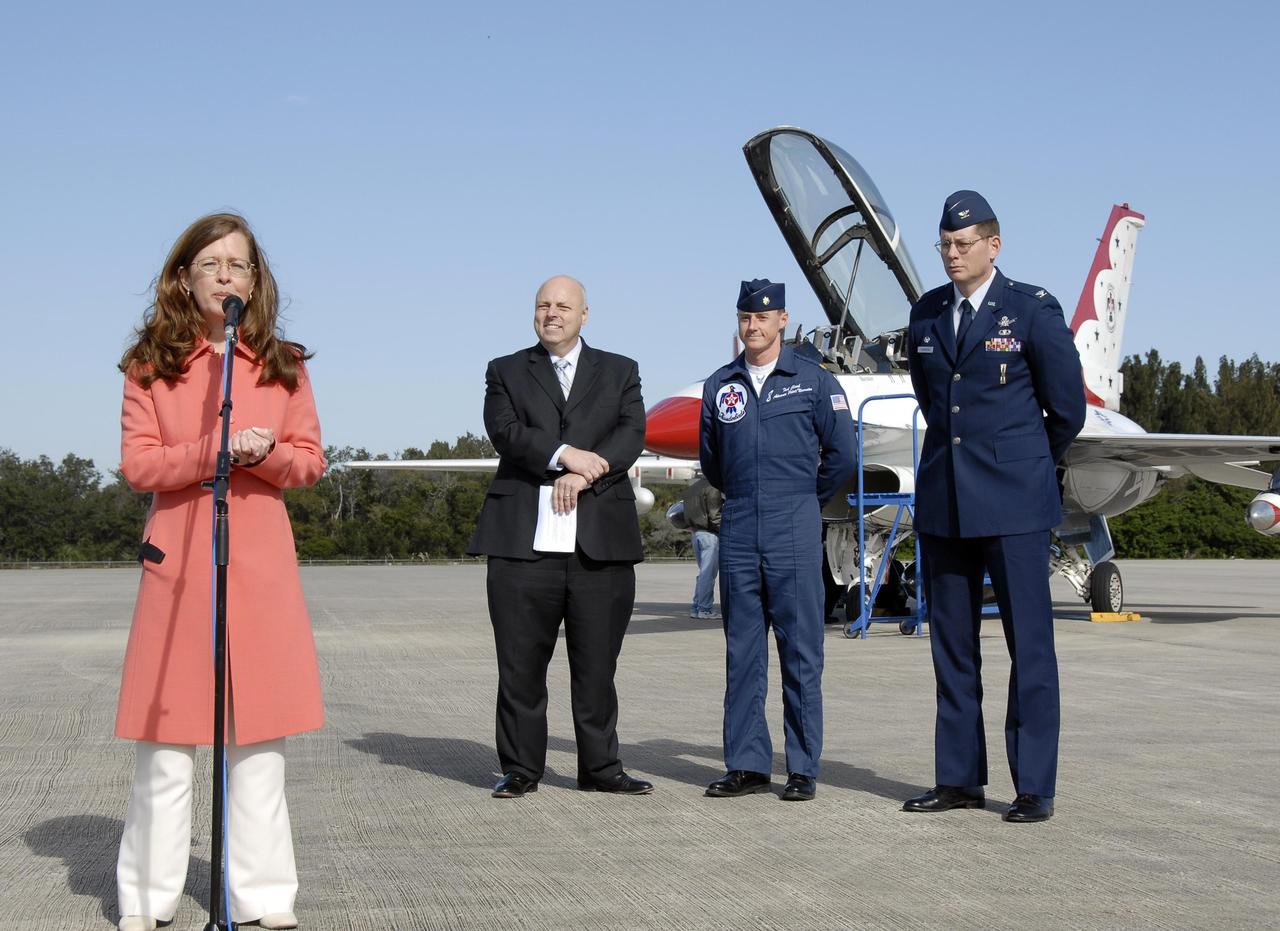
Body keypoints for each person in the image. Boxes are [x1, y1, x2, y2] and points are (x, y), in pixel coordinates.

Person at [114, 213, 325, 931]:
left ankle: (265, 897)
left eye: (238, 265)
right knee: (167, 749)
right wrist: (216, 448)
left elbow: (309, 462)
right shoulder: (150, 364)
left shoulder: (284, 363)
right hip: (176, 568)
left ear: (255, 281)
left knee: (259, 744)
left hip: (259, 565)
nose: (226, 276)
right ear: (184, 277)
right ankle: (147, 898)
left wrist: (261, 454)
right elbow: (140, 463)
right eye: (211, 264)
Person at [902, 191, 1086, 823]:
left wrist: (1021, 461)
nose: (952, 255)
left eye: (964, 244)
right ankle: (958, 779)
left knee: (1029, 647)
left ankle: (1034, 785)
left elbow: (1066, 410)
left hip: (1013, 505)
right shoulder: (925, 315)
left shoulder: (1031, 310)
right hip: (946, 501)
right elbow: (934, 401)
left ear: (993, 245)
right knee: (951, 647)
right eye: (945, 246)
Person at [468, 275, 653, 798]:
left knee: (597, 665)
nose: (552, 313)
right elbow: (505, 431)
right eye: (543, 305)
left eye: (563, 305)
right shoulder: (504, 371)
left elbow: (630, 434)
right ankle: (522, 768)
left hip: (601, 544)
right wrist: (563, 455)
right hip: (521, 546)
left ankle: (600, 768)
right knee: (521, 664)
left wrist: (585, 473)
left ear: (584, 314)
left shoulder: (621, 371)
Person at [699, 279, 858, 802]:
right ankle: (745, 764)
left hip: (795, 522)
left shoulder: (813, 382)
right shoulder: (721, 386)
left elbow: (843, 456)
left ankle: (802, 767)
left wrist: (805, 499)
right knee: (742, 652)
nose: (753, 326)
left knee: (800, 651)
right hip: (740, 524)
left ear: (783, 321)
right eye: (745, 317)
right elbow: (712, 461)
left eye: (764, 318)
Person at [683, 477, 722, 619]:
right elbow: (715, 516)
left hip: (696, 533)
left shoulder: (692, 488)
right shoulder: (713, 488)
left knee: (703, 573)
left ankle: (696, 607)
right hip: (709, 535)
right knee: (708, 574)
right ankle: (705, 609)